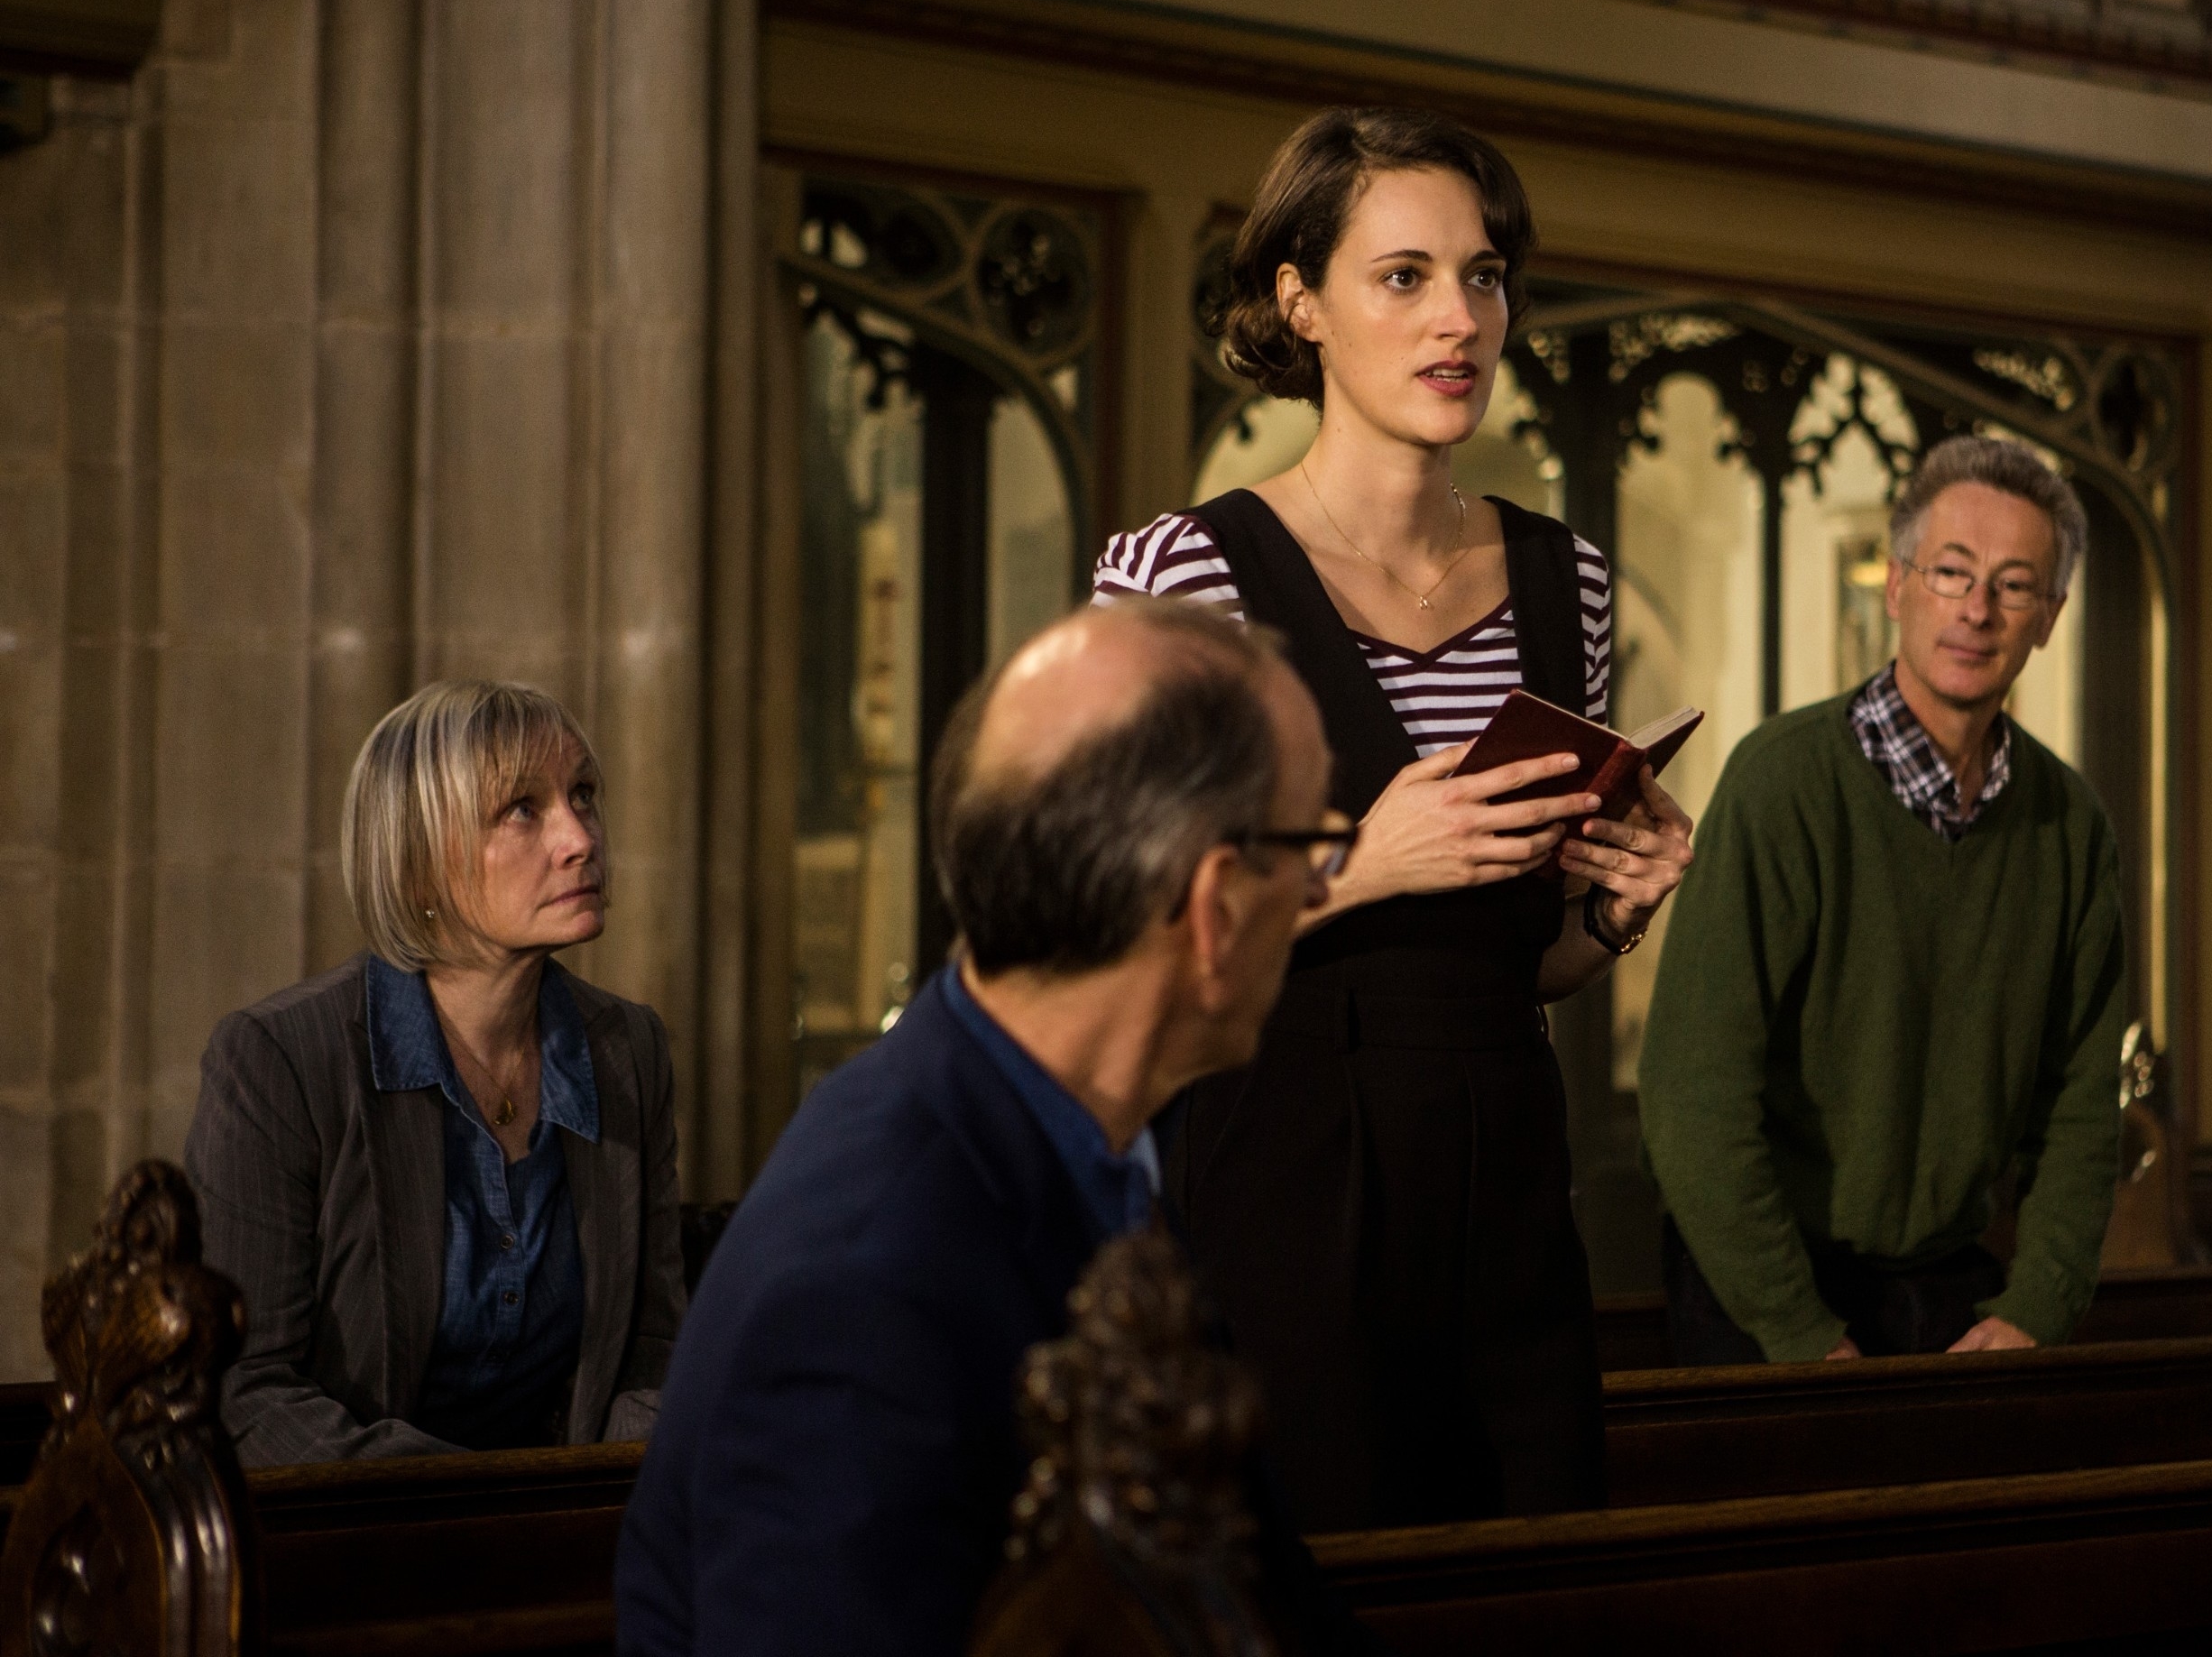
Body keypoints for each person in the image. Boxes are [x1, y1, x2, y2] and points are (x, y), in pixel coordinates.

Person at [1095, 106, 1694, 1530]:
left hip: (1506, 1168)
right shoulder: (1186, 571)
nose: (1458, 320)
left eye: (1483, 277)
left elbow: (1514, 960)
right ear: (1300, 302)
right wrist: (1363, 866)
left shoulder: (1567, 580)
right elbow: (1119, 937)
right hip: (1278, 1169)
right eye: (1404, 277)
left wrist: (1613, 910)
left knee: (1534, 1575)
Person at [615, 600, 1367, 1656]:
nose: (1320, 888)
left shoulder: (1091, 1137)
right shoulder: (866, 1285)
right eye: (1313, 847)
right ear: (1215, 907)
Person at [1639, 436, 2126, 1366]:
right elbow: (1692, 1095)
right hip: (1760, 1290)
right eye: (1952, 571)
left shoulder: (2071, 827)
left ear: (2050, 617)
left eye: (2014, 585)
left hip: (1951, 1291)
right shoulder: (1781, 784)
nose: (1977, 609)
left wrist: (2040, 1304)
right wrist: (1798, 1330)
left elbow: (2079, 1105)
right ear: (1898, 585)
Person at [183, 680, 684, 1463]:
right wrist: (468, 1509)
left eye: (583, 794)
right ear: (420, 864)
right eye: (523, 809)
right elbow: (247, 1391)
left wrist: (595, 1499)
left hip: (577, 1519)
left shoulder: (629, 1050)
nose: (580, 837)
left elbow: (652, 1349)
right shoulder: (279, 1062)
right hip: (366, 1522)